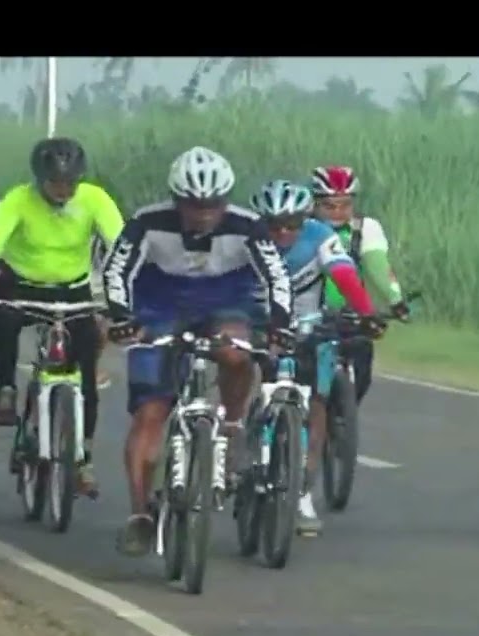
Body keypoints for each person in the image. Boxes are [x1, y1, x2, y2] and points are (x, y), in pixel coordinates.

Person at [101, 146, 295, 556]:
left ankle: (232, 426)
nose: (205, 214)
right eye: (194, 205)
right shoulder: (147, 223)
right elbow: (117, 270)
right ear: (176, 199)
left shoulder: (247, 226)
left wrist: (279, 323)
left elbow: (276, 277)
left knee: (236, 351)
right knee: (150, 412)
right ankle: (140, 514)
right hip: (159, 306)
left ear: (226, 199)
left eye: (214, 204)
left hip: (225, 303)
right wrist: (121, 316)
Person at [0, 137, 126, 496]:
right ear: (39, 179)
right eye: (55, 183)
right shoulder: (19, 199)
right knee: (4, 319)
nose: (63, 191)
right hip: (22, 282)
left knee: (85, 374)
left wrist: (125, 297)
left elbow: (122, 245)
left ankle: (83, 459)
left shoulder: (95, 199)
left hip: (73, 287)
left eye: (70, 183)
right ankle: (7, 387)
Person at [248, 179, 384, 535]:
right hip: (261, 323)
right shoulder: (247, 237)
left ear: (305, 219)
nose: (283, 232)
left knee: (316, 403)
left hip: (309, 325)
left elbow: (345, 275)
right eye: (274, 225)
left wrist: (366, 313)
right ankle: (242, 450)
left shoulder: (320, 236)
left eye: (291, 224)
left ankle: (303, 490)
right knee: (246, 375)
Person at [310, 165, 411, 405]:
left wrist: (395, 300)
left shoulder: (366, 228)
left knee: (363, 359)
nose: (337, 212)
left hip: (349, 312)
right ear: (315, 204)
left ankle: (346, 415)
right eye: (329, 206)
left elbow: (378, 267)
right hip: (310, 312)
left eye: (345, 205)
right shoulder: (304, 228)